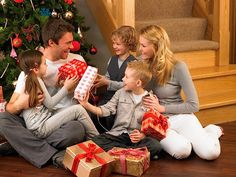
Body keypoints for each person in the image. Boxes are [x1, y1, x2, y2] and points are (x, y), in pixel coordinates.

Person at [0, 18, 88, 168]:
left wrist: (88, 84)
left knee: (76, 130)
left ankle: (21, 146)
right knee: (2, 119)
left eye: (71, 41)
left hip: (63, 121)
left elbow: (86, 94)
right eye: (67, 43)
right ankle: (50, 154)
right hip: (37, 121)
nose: (72, 46)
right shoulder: (32, 69)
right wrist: (21, 104)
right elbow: (10, 108)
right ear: (51, 43)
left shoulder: (78, 60)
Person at [139, 25, 223, 160]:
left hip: (181, 117)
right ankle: (196, 136)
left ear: (155, 46)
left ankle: (211, 131)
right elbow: (129, 86)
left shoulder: (178, 67)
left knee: (211, 153)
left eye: (143, 46)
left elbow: (194, 105)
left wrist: (162, 108)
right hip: (157, 121)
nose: (140, 49)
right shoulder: (140, 63)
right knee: (182, 151)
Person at [79, 60, 162, 158]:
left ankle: (118, 153)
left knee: (155, 146)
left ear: (138, 82)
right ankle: (131, 154)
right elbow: (104, 110)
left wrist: (143, 135)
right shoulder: (120, 93)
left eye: (126, 77)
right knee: (94, 143)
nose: (123, 79)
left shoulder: (151, 100)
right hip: (117, 135)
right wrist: (86, 104)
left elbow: (153, 126)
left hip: (136, 140)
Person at [19, 50, 99, 139]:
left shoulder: (31, 79)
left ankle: (93, 138)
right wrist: (66, 88)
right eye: (45, 64)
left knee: (73, 109)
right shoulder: (36, 80)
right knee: (78, 109)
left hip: (45, 118)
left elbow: (46, 100)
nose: (47, 66)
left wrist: (56, 86)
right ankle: (97, 139)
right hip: (40, 128)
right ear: (36, 69)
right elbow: (50, 104)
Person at [93, 25, 137, 131]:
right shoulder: (112, 59)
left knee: (110, 117)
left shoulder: (133, 62)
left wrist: (107, 82)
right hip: (108, 97)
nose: (114, 46)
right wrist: (100, 80)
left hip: (123, 99)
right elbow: (108, 77)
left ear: (128, 44)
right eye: (113, 43)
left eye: (118, 44)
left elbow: (127, 85)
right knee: (96, 114)